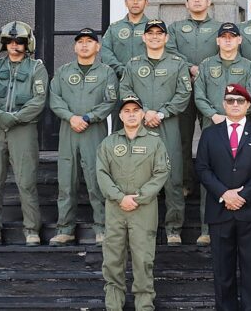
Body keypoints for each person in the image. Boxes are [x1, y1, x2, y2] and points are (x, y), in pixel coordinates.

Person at [196, 84, 251, 311]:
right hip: (220, 211)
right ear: (223, 104)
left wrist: (241, 195)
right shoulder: (210, 134)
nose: (235, 105)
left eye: (240, 101)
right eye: (230, 100)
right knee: (222, 272)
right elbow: (202, 168)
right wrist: (224, 194)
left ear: (248, 105)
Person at [118, 19, 192, 245]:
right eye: (150, 33)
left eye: (160, 33)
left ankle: (173, 229)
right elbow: (125, 89)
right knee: (138, 177)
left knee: (172, 177)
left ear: (166, 38)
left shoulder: (178, 64)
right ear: (143, 37)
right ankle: (141, 228)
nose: (155, 36)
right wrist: (144, 112)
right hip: (138, 126)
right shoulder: (133, 64)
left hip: (167, 125)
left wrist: (160, 113)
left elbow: (183, 94)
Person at [0, 20, 47, 247]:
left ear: (28, 44)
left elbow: (38, 100)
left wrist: (16, 117)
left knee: (26, 180)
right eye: (10, 41)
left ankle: (32, 229)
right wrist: (0, 116)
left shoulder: (36, 68)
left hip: (23, 129)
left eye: (20, 42)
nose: (15, 45)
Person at [97, 95, 170, 311]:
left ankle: (144, 305)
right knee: (112, 260)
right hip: (115, 208)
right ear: (120, 115)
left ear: (142, 114)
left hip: (144, 209)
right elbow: (101, 173)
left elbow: (161, 172)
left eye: (135, 110)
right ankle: (113, 305)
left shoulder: (154, 142)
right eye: (126, 110)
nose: (131, 114)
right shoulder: (109, 143)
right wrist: (120, 198)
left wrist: (138, 197)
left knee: (143, 259)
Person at [48, 27, 118, 247]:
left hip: (93, 130)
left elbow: (110, 101)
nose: (85, 45)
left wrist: (88, 117)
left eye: (90, 41)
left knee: (96, 180)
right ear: (74, 46)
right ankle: (65, 229)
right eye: (80, 41)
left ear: (97, 47)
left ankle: (102, 228)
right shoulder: (63, 72)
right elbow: (55, 99)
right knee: (66, 181)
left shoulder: (106, 73)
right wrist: (71, 117)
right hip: (68, 130)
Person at [193, 22, 251, 246]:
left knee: (239, 173)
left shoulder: (249, 66)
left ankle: (239, 220)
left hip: (239, 127)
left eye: (232, 36)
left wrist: (235, 116)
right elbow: (199, 94)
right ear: (218, 41)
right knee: (210, 173)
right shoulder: (206, 65)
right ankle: (206, 228)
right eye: (224, 37)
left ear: (239, 40)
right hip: (213, 126)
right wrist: (214, 115)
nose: (228, 40)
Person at [165, 0, 224, 199]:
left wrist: (206, 70)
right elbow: (170, 50)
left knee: (212, 137)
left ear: (209, 2)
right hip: (184, 88)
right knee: (182, 137)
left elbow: (226, 51)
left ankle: (214, 183)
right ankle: (185, 183)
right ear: (186, 4)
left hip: (212, 90)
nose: (197, 1)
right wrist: (190, 67)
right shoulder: (176, 28)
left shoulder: (220, 27)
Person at [100, 0, 151, 79]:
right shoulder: (114, 28)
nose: (135, 2)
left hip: (146, 80)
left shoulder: (154, 28)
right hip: (118, 80)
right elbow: (105, 52)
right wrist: (121, 70)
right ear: (125, 2)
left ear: (146, 2)